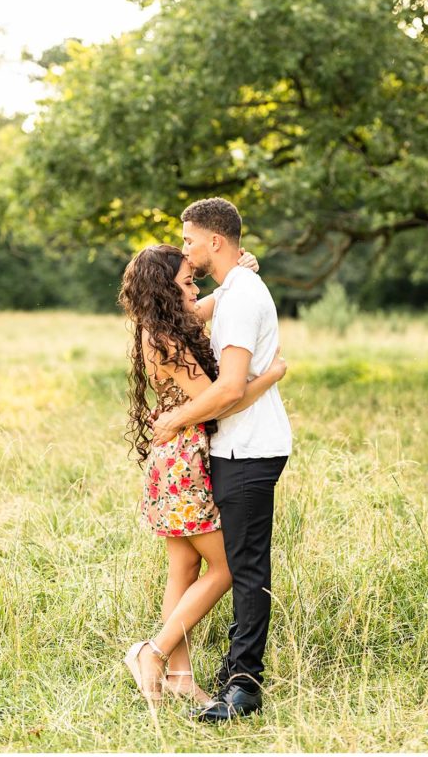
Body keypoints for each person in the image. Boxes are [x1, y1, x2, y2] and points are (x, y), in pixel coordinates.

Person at [119, 244, 286, 708]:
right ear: (167, 291)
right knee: (228, 566)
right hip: (182, 464)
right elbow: (222, 399)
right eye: (188, 282)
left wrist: (235, 276)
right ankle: (152, 652)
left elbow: (207, 306)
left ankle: (179, 675)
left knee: (184, 567)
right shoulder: (168, 339)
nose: (197, 289)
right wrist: (270, 376)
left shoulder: (164, 325)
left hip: (171, 460)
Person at [152, 197, 293, 722]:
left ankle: (243, 685)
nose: (185, 250)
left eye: (189, 240)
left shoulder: (240, 297)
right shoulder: (232, 290)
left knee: (245, 566)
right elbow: (180, 309)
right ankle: (201, 669)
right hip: (229, 446)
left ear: (215, 241)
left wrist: (173, 419)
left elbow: (230, 388)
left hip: (250, 448)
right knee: (225, 562)